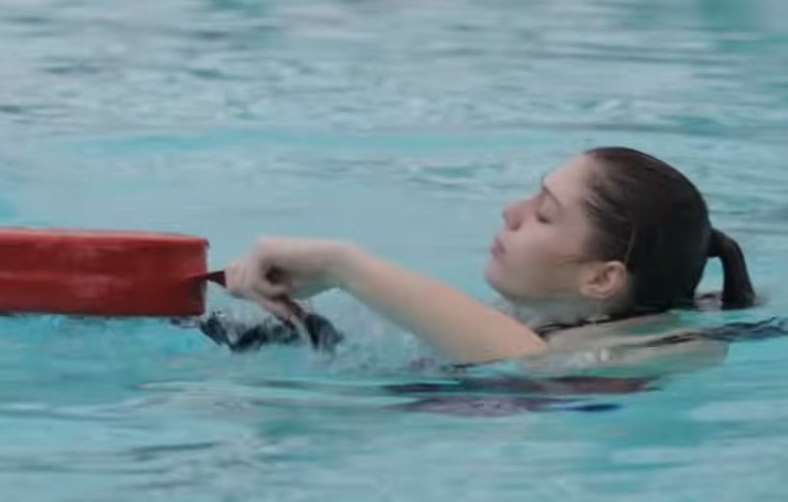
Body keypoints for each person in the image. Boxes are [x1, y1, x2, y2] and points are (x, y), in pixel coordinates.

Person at [218, 146, 758, 369]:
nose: (511, 212)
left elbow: (524, 362)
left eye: (544, 215)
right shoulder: (540, 314)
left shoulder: (669, 350)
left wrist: (344, 264)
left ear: (602, 278)